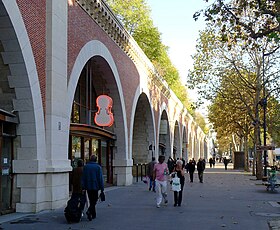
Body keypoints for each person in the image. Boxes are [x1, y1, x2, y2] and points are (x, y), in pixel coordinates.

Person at [82, 155, 104, 221]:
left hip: (88, 186)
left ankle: (93, 214)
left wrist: (83, 186)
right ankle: (89, 211)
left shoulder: (86, 167)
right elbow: (100, 178)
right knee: (94, 200)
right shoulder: (98, 167)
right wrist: (102, 188)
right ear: (96, 160)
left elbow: (83, 178)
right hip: (95, 186)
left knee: (91, 199)